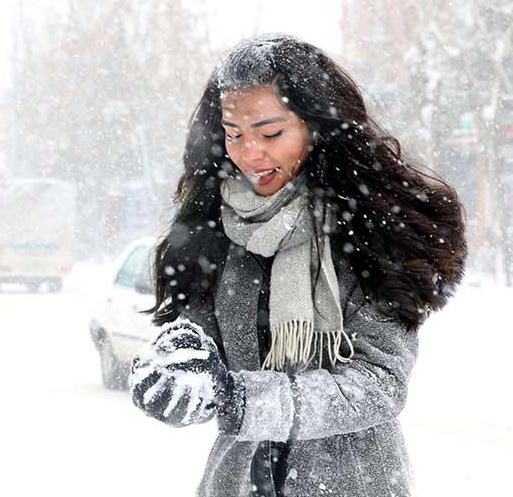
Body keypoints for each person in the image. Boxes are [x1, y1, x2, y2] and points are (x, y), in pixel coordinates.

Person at [129, 34, 467, 497]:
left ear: (316, 126)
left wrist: (240, 397)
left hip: (354, 483)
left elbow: (379, 383)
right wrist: (180, 358)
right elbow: (201, 329)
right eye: (233, 134)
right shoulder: (220, 228)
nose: (249, 153)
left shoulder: (368, 234)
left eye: (270, 133)